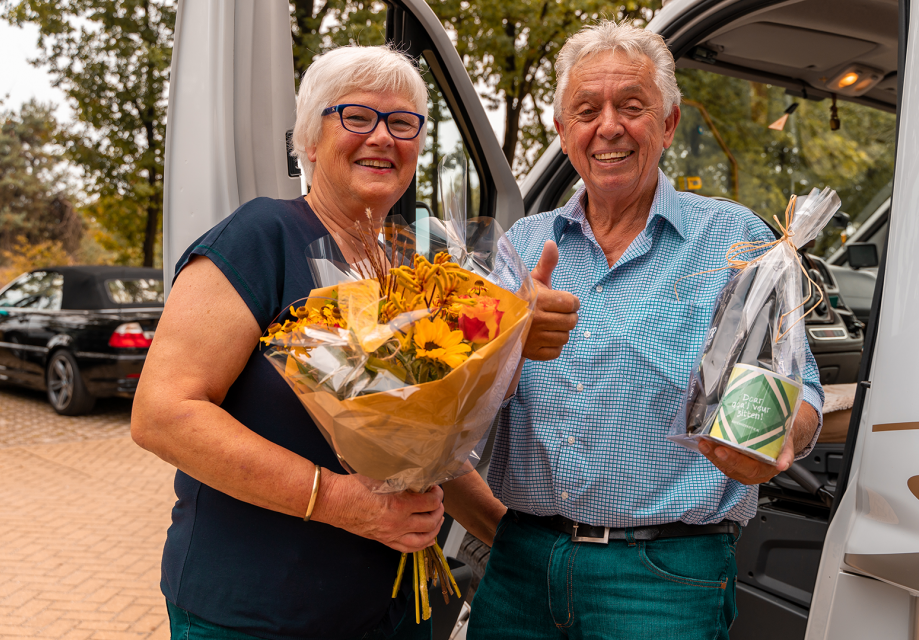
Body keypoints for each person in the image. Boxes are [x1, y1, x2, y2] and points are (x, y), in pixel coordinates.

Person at [462, 21, 826, 638]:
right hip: (522, 561)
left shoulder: (736, 242)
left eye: (631, 107)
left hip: (664, 576)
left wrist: (773, 437)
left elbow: (802, 393)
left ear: (668, 124)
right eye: (587, 110)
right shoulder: (522, 245)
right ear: (563, 132)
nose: (608, 126)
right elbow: (467, 400)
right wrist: (507, 347)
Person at [131, 45, 496, 640]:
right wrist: (340, 502)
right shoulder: (262, 235)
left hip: (389, 610)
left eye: (402, 123)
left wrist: (503, 533)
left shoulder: (409, 265)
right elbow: (162, 415)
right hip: (257, 611)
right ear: (309, 140)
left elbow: (419, 442)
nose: (382, 137)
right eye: (355, 116)